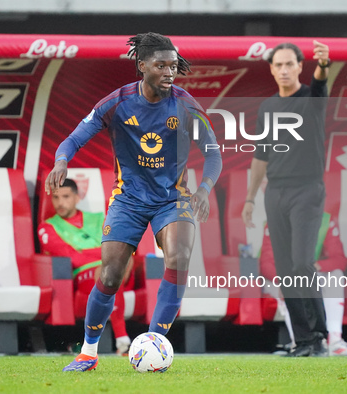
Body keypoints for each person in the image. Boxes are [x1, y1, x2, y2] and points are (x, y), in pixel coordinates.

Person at [45, 32, 222, 372]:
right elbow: (74, 138)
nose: (169, 72)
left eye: (173, 65)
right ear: (142, 67)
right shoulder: (118, 102)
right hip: (128, 200)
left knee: (180, 256)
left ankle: (154, 347)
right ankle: (88, 352)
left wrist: (204, 190)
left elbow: (213, 154)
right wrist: (62, 160)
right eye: (161, 65)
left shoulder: (186, 105)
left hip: (174, 198)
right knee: (111, 275)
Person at [242, 40, 331, 357]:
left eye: (289, 64)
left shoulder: (310, 99)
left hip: (307, 189)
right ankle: (304, 341)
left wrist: (324, 64)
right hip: (275, 192)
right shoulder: (267, 108)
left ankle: (319, 336)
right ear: (271, 68)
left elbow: (321, 86)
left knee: (303, 263)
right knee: (286, 270)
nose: (283, 70)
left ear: (299, 66)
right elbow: (260, 155)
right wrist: (250, 198)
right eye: (277, 65)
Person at [38, 178, 131, 356]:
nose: (60, 202)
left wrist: (95, 252)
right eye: (56, 198)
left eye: (65, 196)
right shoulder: (47, 227)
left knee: (125, 257)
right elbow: (71, 256)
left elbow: (120, 246)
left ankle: (126, 342)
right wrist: (105, 253)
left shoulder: (98, 218)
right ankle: (123, 340)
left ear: (77, 197)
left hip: (115, 269)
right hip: (81, 276)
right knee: (109, 271)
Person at [260, 215, 347, 356]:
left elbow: (339, 260)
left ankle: (334, 341)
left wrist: (315, 266)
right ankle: (299, 343)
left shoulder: (324, 219)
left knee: (336, 275)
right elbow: (266, 264)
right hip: (277, 278)